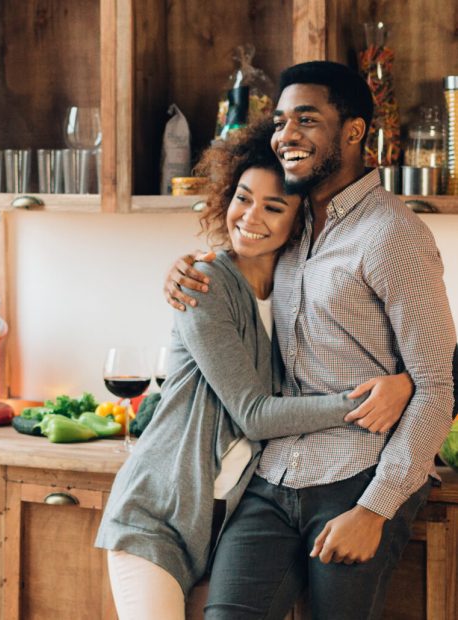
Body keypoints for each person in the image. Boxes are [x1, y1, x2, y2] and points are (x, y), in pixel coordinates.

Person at [163, 61, 456, 619]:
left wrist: (375, 509)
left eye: (307, 119)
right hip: (272, 478)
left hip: (359, 477)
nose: (286, 134)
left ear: (353, 131)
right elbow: (235, 260)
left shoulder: (394, 236)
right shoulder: (293, 227)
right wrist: (181, 269)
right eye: (279, 120)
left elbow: (438, 385)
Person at [94, 119, 414, 620]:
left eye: (274, 206)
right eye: (243, 197)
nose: (251, 216)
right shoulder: (204, 283)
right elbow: (255, 415)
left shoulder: (292, 289)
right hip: (156, 518)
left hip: (218, 526)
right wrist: (371, 400)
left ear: (300, 218)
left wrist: (407, 380)